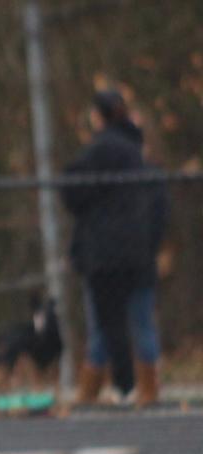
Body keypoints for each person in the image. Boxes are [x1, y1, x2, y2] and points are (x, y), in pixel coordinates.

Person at [62, 89, 163, 405]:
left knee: (104, 322)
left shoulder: (99, 152)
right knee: (140, 321)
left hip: (105, 255)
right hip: (139, 254)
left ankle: (105, 387)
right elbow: (159, 209)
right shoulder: (140, 158)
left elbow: (73, 192)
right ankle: (146, 389)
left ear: (98, 116)